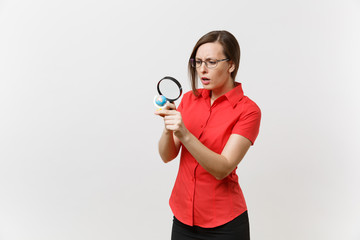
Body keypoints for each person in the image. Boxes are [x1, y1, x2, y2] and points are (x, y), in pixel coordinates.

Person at [154, 30, 261, 240]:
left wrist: (185, 135)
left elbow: (222, 168)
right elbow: (167, 156)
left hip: (225, 224)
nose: (202, 70)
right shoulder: (188, 100)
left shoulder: (248, 111)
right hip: (183, 217)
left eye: (211, 62)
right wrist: (168, 129)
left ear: (231, 65)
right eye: (198, 62)